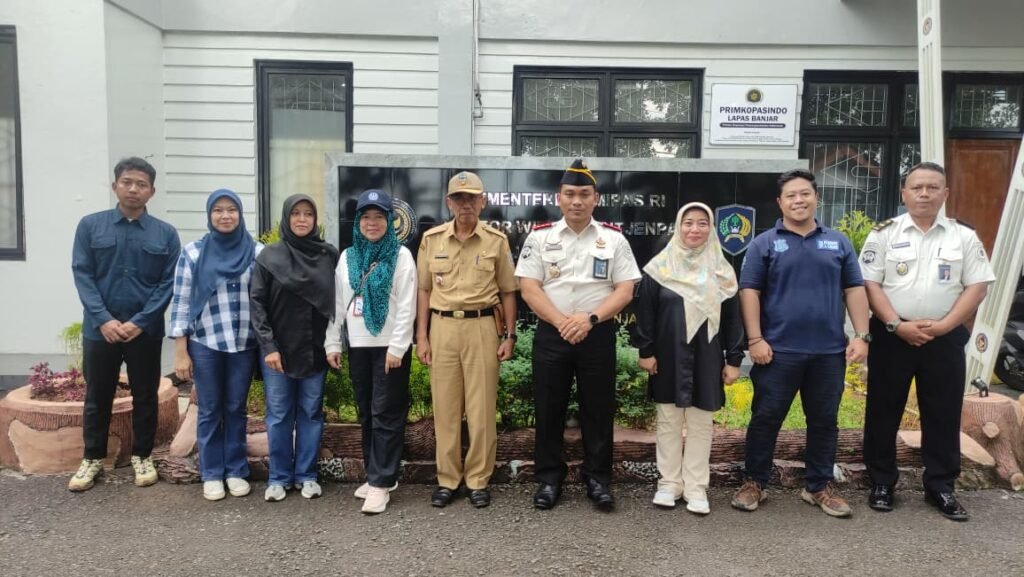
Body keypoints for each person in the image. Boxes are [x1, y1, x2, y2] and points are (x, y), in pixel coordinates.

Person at [859, 162, 995, 521]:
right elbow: (869, 283)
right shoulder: (884, 234)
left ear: (945, 194)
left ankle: (940, 486)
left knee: (943, 412)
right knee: (882, 410)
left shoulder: (963, 236)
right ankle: (882, 482)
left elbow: (978, 285)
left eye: (932, 188)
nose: (924, 194)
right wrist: (895, 324)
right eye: (916, 187)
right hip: (892, 336)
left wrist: (946, 325)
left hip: (944, 338)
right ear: (903, 193)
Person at [731, 168, 870, 518]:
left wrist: (861, 335)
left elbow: (854, 288)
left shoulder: (838, 242)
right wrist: (755, 339)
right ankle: (755, 482)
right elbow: (749, 292)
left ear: (816, 197)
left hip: (829, 352)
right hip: (776, 352)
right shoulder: (764, 243)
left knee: (824, 421)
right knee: (765, 418)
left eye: (804, 193)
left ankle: (818, 486)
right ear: (780, 202)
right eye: (791, 195)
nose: (798, 200)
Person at [515, 159, 641, 511]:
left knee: (598, 410)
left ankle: (598, 479)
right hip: (552, 333)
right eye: (570, 194)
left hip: (596, 333)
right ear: (558, 198)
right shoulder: (540, 237)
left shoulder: (613, 239)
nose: (577, 201)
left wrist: (589, 319)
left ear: (595, 198)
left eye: (584, 194)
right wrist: (561, 321)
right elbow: (529, 287)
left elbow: (625, 289)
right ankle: (548, 480)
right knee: (548, 409)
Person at [69, 157, 180, 492]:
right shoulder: (91, 226)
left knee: (145, 395)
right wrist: (103, 319)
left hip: (144, 332)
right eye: (127, 182)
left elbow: (168, 283)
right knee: (97, 395)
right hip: (99, 331)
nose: (133, 189)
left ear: (152, 191)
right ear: (114, 185)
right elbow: (83, 275)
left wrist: (139, 322)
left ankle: (142, 455)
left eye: (141, 184)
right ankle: (92, 458)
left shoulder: (165, 233)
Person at [632, 202, 744, 515]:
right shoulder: (660, 267)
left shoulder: (722, 271)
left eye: (702, 223)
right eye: (688, 222)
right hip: (668, 355)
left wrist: (734, 359)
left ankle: (696, 487)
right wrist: (646, 351)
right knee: (668, 421)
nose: (695, 229)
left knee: (700, 423)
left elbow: (733, 318)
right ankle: (669, 484)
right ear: (679, 227)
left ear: (711, 229)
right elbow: (646, 313)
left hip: (707, 355)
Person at [415, 171, 518, 509]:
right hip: (442, 327)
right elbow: (424, 290)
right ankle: (447, 479)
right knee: (445, 409)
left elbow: (508, 291)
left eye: (472, 198)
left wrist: (510, 335)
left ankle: (477, 480)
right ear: (449, 203)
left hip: (482, 327)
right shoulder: (432, 240)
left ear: (482, 201)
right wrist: (422, 337)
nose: (466, 204)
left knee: (481, 409)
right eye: (459, 198)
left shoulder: (496, 241)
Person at [326, 189, 417, 514]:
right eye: (366, 217)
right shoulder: (347, 257)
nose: (372, 223)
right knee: (367, 413)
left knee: (386, 414)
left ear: (390, 221)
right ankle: (377, 474)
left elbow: (407, 305)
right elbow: (338, 304)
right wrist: (333, 342)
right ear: (358, 222)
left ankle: (381, 482)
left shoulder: (401, 256)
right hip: (359, 347)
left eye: (379, 217)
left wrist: (398, 347)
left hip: (389, 348)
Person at [169, 189, 261, 501]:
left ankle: (235, 470)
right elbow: (181, 302)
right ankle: (211, 472)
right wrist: (180, 350)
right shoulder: (193, 253)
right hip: (205, 342)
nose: (225, 216)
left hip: (244, 344)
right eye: (218, 210)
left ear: (240, 214)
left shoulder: (256, 252)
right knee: (209, 409)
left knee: (235, 409)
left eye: (231, 209)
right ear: (209, 215)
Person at [250, 194, 339, 502]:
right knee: (278, 415)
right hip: (279, 352)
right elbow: (257, 304)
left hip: (315, 349)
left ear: (315, 220)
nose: (302, 219)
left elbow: (337, 304)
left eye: (308, 214)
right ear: (286, 218)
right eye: (296, 214)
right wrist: (268, 346)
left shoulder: (328, 255)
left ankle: (306, 475)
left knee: (311, 413)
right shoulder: (269, 257)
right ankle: (278, 477)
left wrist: (333, 344)